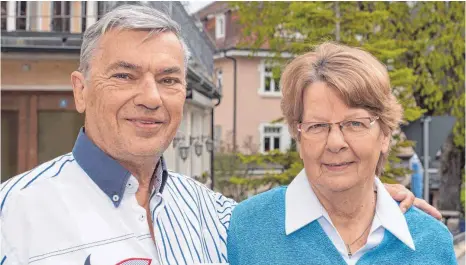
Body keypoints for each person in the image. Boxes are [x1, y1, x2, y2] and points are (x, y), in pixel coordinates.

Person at [0, 5, 441, 265]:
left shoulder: (221, 218)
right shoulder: (12, 215)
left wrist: (373, 195)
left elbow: (309, 215)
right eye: (124, 75)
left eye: (169, 79)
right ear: (80, 90)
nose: (150, 97)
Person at [227, 42, 456, 265]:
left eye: (355, 124)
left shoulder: (430, 242)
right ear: (298, 137)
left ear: (385, 135)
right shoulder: (248, 228)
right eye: (317, 126)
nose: (335, 143)